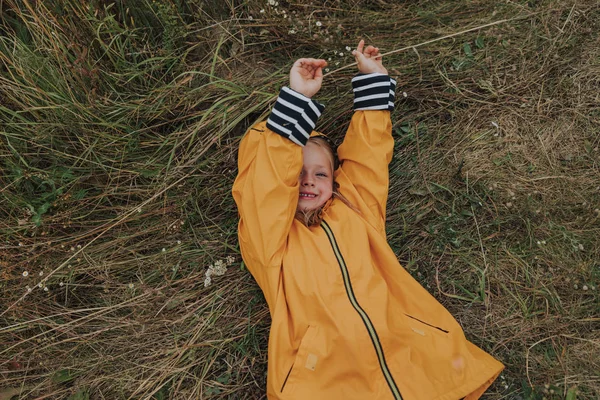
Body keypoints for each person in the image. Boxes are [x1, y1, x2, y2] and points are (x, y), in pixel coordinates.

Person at [232, 39, 504, 400]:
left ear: (336, 180)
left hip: (407, 352)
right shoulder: (269, 241)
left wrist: (374, 80)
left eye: (321, 174)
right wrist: (297, 98)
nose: (308, 180)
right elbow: (267, 185)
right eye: (296, 172)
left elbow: (368, 158)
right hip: (324, 373)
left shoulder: (355, 209)